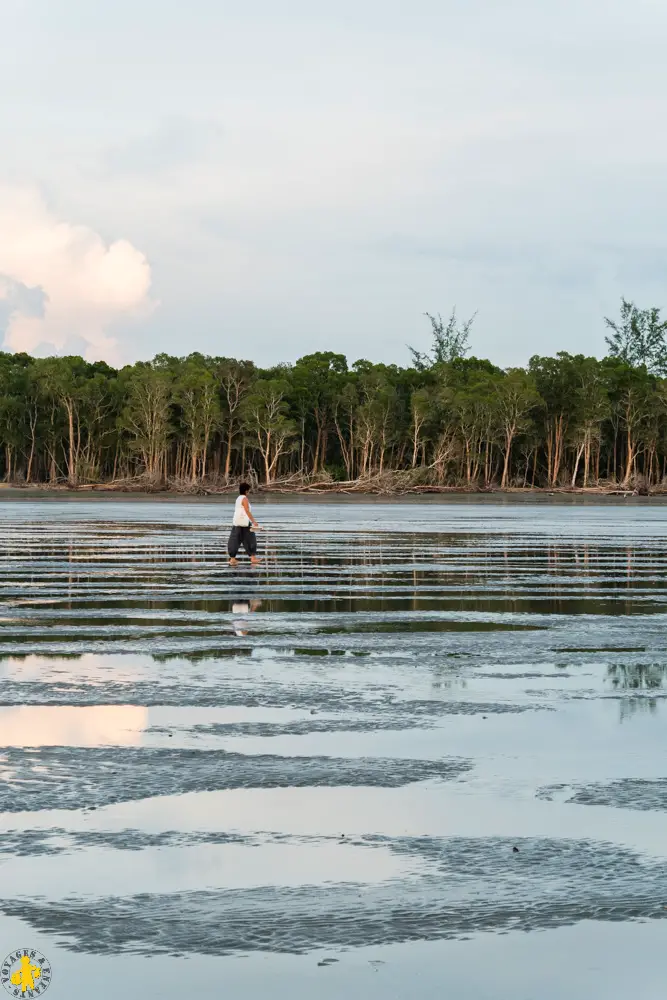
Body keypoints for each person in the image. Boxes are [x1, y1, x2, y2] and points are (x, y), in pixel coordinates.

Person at [228, 482, 262, 566]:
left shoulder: (238, 498)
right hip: (245, 522)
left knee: (235, 539)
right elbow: (247, 511)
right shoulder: (245, 499)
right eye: (248, 491)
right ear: (246, 491)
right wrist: (253, 521)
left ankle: (232, 559)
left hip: (237, 522)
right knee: (250, 539)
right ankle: (253, 558)